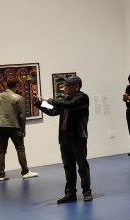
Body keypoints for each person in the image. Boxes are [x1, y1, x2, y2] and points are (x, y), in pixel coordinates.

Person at [37, 75, 92, 203]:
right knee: (68, 166)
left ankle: (87, 192)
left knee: (82, 166)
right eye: (64, 85)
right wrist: (38, 104)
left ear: (76, 87)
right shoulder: (66, 99)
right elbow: (53, 111)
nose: (64, 87)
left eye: (67, 85)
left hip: (78, 136)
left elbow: (69, 105)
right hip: (65, 137)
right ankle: (70, 193)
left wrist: (48, 99)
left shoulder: (82, 98)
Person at [0, 76, 39, 182]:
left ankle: (1, 175)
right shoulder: (18, 98)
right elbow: (22, 116)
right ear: (17, 85)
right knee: (20, 149)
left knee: (2, 150)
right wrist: (23, 129)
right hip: (14, 127)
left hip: (1, 126)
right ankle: (25, 172)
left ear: (7, 85)